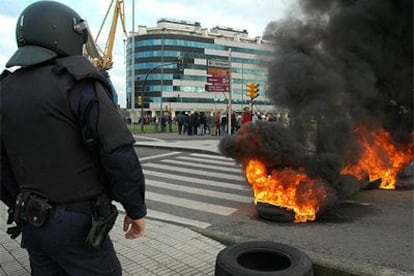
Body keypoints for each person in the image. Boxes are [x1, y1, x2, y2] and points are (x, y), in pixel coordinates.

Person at [0, 1, 146, 275]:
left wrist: (18, 201)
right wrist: (135, 209)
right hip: (78, 225)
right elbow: (118, 153)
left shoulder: (4, 89)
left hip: (31, 219)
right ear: (63, 33)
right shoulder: (79, 84)